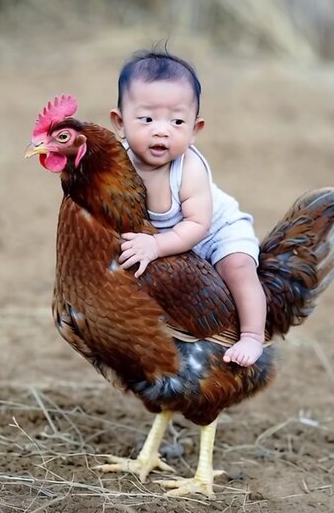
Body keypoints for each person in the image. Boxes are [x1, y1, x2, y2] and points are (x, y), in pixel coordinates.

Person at [109, 50, 267, 367]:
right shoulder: (119, 162)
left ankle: (252, 334)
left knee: (238, 269)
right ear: (119, 122)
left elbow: (197, 226)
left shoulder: (190, 168)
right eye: (147, 119)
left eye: (178, 121)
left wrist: (154, 244)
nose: (162, 130)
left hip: (214, 232)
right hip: (170, 238)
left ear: (195, 130)